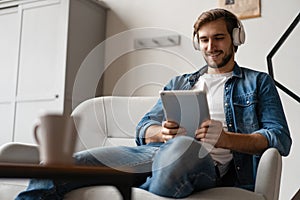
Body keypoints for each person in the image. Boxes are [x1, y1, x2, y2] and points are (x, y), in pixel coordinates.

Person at [16, 8, 292, 200]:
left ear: (235, 39)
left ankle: (134, 186)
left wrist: (227, 139)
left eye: (219, 38)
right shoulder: (180, 83)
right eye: (204, 40)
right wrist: (161, 133)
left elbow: (279, 138)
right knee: (70, 165)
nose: (211, 46)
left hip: (208, 165)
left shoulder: (258, 83)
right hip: (156, 155)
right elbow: (143, 127)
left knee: (184, 148)